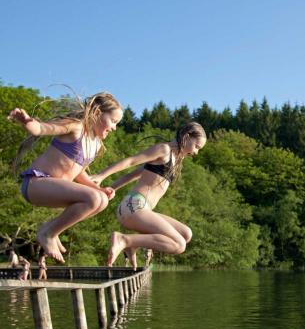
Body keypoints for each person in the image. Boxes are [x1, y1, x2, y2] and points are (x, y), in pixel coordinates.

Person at [8, 93, 122, 263]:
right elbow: (42, 129)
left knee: (102, 200)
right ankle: (48, 233)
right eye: (113, 121)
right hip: (36, 183)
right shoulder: (76, 127)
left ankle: (51, 229)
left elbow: (78, 173)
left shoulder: (95, 145)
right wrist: (27, 122)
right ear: (97, 112)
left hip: (54, 189)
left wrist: (99, 188)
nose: (114, 127)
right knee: (93, 198)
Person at [91, 122, 206, 267]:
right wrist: (102, 175)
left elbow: (134, 175)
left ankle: (133, 245)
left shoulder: (174, 159)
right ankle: (124, 240)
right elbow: (131, 161)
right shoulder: (164, 150)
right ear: (187, 137)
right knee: (179, 245)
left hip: (140, 209)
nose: (196, 152)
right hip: (134, 206)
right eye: (197, 147)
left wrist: (112, 187)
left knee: (186, 234)